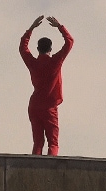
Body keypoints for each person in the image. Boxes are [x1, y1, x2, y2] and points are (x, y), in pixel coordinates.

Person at [19, 15, 74, 156]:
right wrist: (60, 27)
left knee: (38, 142)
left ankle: (34, 167)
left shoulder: (33, 63)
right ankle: (51, 171)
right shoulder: (55, 61)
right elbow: (69, 42)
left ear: (37, 48)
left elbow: (22, 48)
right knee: (53, 143)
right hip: (49, 107)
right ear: (51, 48)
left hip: (34, 105)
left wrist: (31, 28)